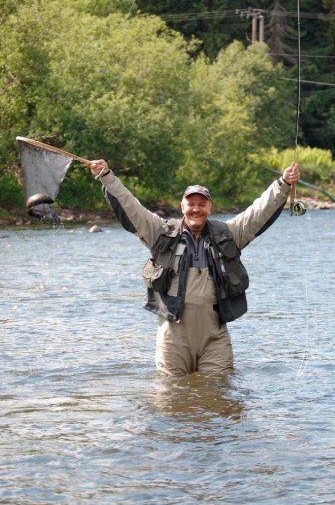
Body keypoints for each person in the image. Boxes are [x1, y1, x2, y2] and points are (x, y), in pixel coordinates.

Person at [90, 159, 300, 376]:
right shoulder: (160, 233)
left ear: (210, 207)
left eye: (202, 204)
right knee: (170, 399)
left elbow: (258, 213)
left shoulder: (229, 235)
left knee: (220, 394)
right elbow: (130, 206)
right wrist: (107, 176)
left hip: (214, 337)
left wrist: (283, 183)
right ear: (182, 207)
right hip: (173, 338)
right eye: (191, 204)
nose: (196, 209)